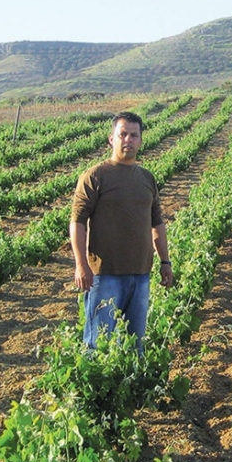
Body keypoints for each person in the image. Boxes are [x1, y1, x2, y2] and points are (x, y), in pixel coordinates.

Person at [70, 111, 173, 351]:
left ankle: (130, 388)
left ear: (141, 140)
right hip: (105, 275)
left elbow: (156, 224)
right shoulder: (95, 176)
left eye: (133, 135)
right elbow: (77, 221)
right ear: (111, 139)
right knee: (98, 345)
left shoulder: (147, 178)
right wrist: (80, 264)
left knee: (135, 344)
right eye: (123, 134)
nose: (128, 140)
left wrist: (165, 261)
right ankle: (98, 390)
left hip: (140, 274)